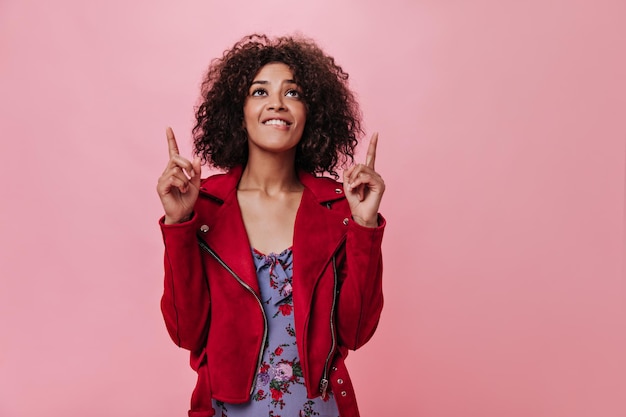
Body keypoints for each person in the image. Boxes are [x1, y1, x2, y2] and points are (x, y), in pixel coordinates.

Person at [156, 34, 386, 417]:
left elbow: (355, 332)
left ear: (312, 113)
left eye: (292, 93)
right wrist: (179, 224)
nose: (277, 103)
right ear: (238, 110)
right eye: (260, 92)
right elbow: (186, 333)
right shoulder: (204, 206)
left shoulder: (337, 207)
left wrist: (364, 228)